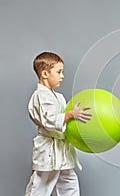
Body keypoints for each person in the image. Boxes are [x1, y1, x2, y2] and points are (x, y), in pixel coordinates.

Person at [25, 52, 92, 196]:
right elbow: (48, 119)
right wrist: (69, 115)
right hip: (48, 150)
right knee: (41, 185)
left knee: (69, 182)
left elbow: (67, 119)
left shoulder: (59, 97)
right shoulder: (40, 96)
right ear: (44, 73)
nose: (62, 76)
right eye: (59, 72)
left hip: (62, 149)